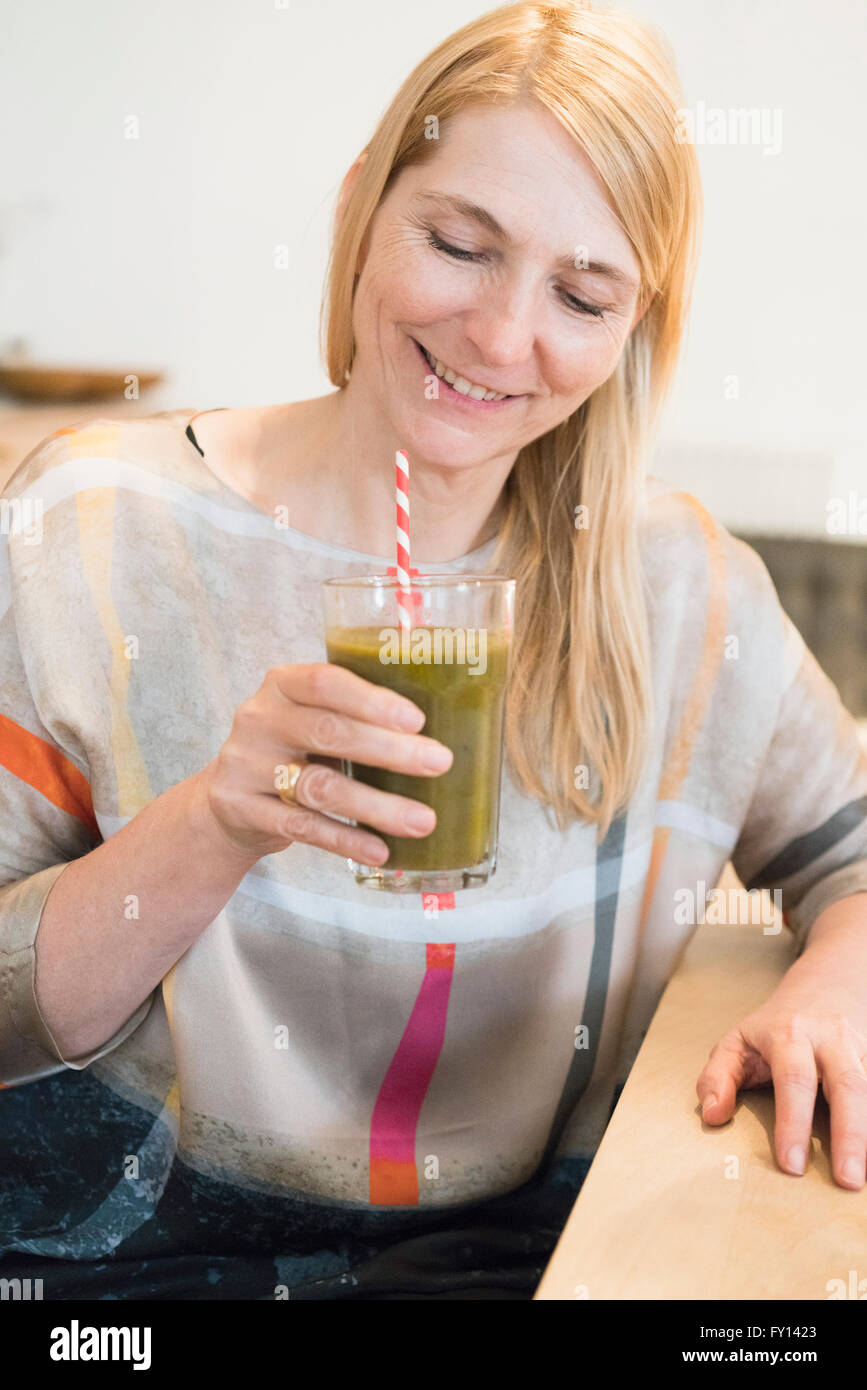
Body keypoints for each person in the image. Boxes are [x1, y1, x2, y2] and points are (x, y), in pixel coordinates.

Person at [1, 0, 866, 1302]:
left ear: (636, 324)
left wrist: (838, 981)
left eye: (581, 293)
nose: (503, 337)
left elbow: (852, 855)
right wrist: (214, 824)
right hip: (135, 1269)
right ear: (362, 205)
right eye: (461, 244)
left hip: (528, 1266)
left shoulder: (680, 587)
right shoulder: (94, 530)